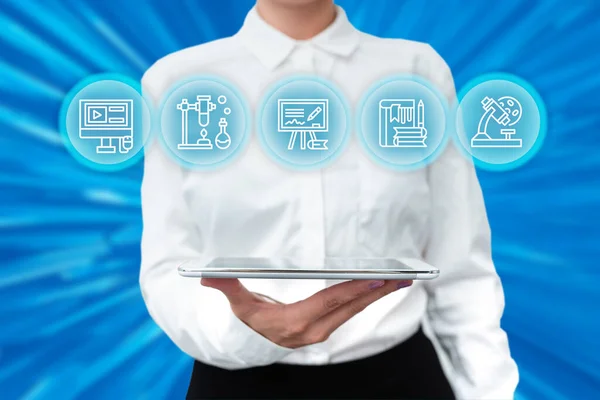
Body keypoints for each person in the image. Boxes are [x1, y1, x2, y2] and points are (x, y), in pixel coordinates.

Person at [139, 0, 519, 398]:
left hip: (399, 379)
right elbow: (167, 266)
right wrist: (244, 330)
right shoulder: (177, 82)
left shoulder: (416, 71)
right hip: (237, 382)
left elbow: (462, 269)